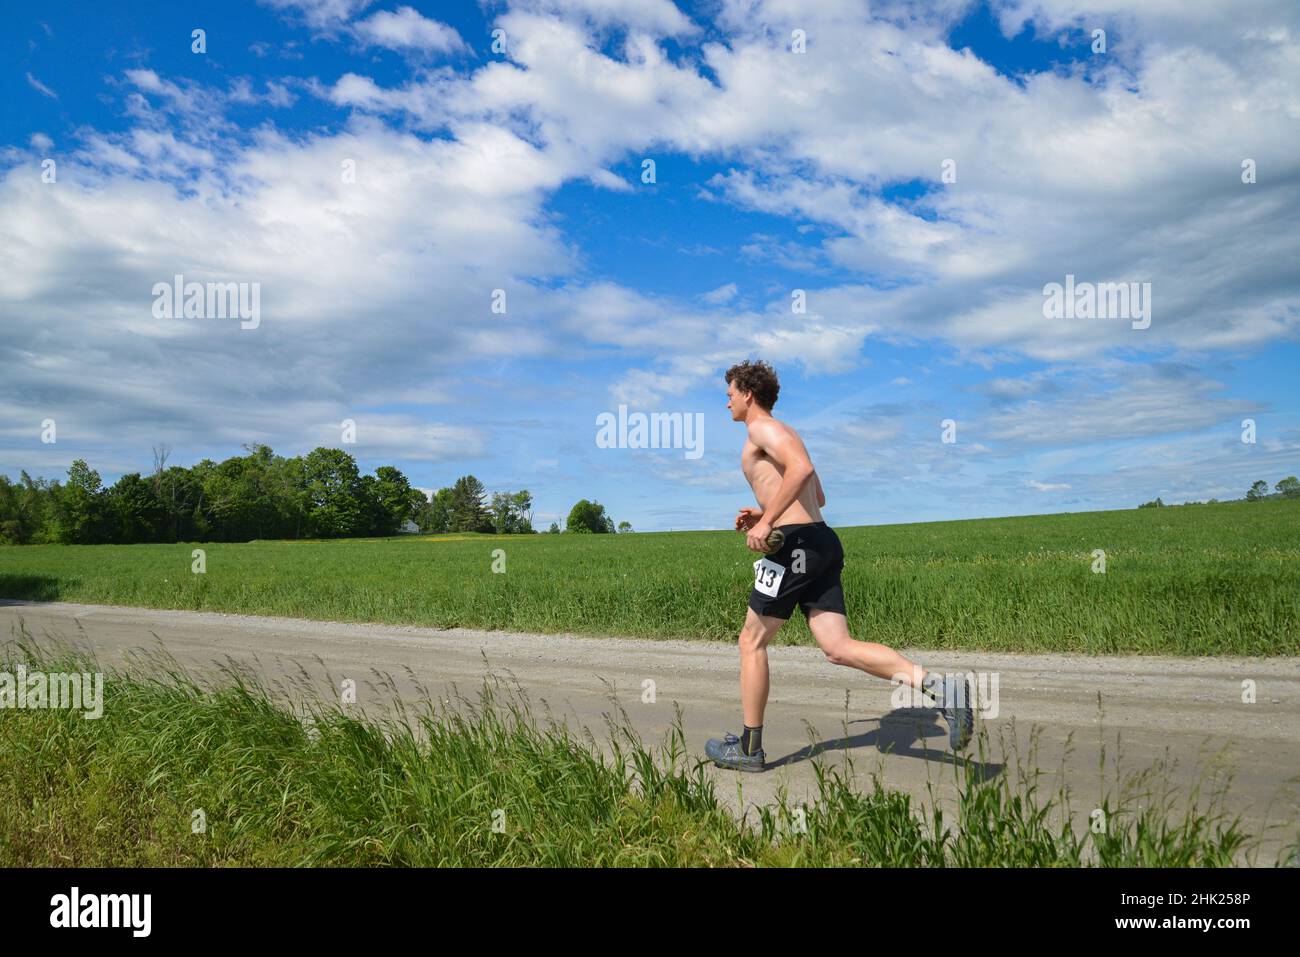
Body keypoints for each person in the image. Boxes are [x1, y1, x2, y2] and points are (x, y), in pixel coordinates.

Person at [705, 359, 974, 772]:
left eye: (729, 395)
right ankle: (943, 690)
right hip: (820, 541)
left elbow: (803, 471)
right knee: (838, 647)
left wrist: (768, 520)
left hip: (794, 547)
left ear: (748, 394)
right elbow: (819, 496)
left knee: (750, 642)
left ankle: (749, 750)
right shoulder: (788, 433)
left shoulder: (762, 429)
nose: (726, 403)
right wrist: (761, 512)